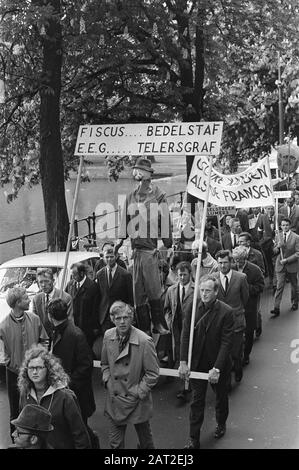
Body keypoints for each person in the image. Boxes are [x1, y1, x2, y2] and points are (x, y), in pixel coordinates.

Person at [179, 275, 234, 449]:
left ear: (216, 292)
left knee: (220, 398)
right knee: (196, 402)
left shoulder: (227, 312)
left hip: (218, 364)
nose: (204, 294)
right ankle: (193, 439)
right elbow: (185, 335)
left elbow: (226, 343)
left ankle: (221, 423)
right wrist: (182, 361)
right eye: (201, 290)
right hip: (197, 363)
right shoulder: (192, 307)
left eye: (208, 290)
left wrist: (217, 368)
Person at [118, 157, 172, 336]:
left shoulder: (159, 195)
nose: (138, 174)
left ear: (149, 175)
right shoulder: (130, 197)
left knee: (153, 286)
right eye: (136, 171)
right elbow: (123, 221)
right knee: (138, 290)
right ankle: (143, 325)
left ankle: (158, 322)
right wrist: (119, 241)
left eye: (141, 171)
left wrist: (167, 241)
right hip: (136, 250)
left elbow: (165, 220)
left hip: (149, 249)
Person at [101, 301, 159, 449]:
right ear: (112, 319)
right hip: (115, 398)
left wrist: (138, 392)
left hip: (137, 401)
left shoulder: (145, 341)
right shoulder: (108, 336)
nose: (122, 322)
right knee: (116, 444)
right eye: (118, 318)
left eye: (126, 317)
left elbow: (152, 373)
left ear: (132, 318)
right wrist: (108, 381)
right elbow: (105, 363)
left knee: (146, 442)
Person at [18, 345, 91, 449]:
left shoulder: (65, 397)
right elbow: (22, 427)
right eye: (31, 368)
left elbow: (79, 434)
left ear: (48, 369)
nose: (34, 372)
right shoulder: (25, 394)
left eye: (39, 368)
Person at [48, 298, 98, 448]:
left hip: (75, 393)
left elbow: (86, 365)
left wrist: (66, 382)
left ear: (50, 316)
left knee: (80, 431)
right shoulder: (70, 332)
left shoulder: (73, 334)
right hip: (72, 392)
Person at [0, 287, 48, 438]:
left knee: (37, 408)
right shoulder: (3, 326)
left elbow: (44, 340)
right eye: (26, 298)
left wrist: (41, 359)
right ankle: (17, 442)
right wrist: (10, 363)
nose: (29, 300)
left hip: (36, 372)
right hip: (14, 373)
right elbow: (2, 353)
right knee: (15, 411)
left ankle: (37, 441)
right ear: (17, 303)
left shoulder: (35, 319)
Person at [215, 250, 249, 383]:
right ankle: (227, 381)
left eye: (225, 263)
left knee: (235, 352)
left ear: (231, 262)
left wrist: (237, 310)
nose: (222, 266)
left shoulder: (241, 278)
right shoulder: (213, 278)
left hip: (237, 321)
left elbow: (245, 298)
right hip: (219, 323)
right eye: (220, 263)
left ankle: (238, 368)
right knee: (224, 354)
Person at [164, 262, 194, 398]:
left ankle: (186, 387)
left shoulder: (197, 290)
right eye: (179, 275)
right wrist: (169, 322)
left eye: (184, 275)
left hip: (191, 328)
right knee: (178, 354)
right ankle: (182, 384)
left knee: (189, 355)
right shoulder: (171, 290)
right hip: (176, 328)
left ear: (190, 274)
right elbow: (167, 309)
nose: (182, 278)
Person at [232, 246, 264, 365]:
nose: (237, 262)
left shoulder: (255, 270)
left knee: (249, 332)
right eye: (235, 259)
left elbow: (261, 286)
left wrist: (246, 288)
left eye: (239, 259)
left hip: (249, 306)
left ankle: (246, 354)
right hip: (235, 306)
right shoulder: (231, 268)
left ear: (245, 258)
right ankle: (237, 355)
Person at [95, 244, 134, 337]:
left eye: (111, 257)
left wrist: (130, 315)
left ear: (116, 257)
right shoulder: (99, 274)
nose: (109, 259)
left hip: (121, 315)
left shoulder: (125, 274)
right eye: (107, 257)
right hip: (105, 317)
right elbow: (98, 297)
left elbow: (130, 297)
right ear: (103, 258)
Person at [65, 262, 100, 348]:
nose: (73, 277)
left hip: (87, 327)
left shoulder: (93, 287)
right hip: (73, 325)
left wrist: (95, 327)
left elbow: (96, 309)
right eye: (71, 275)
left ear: (82, 273)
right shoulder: (70, 285)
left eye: (74, 274)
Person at [32, 267, 73, 340]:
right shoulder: (36, 299)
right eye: (41, 282)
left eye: (46, 281)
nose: (43, 285)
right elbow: (35, 322)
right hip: (42, 339)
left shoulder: (65, 298)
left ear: (53, 281)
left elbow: (69, 321)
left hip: (60, 338)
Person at [271, 217, 299, 317]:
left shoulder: (296, 237)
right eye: (283, 225)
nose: (285, 227)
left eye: (287, 225)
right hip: (280, 265)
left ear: (290, 225)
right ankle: (276, 307)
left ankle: (295, 302)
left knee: (294, 286)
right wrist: (277, 247)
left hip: (292, 265)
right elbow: (274, 252)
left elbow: (297, 253)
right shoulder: (278, 236)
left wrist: (287, 260)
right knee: (279, 286)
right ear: (280, 226)